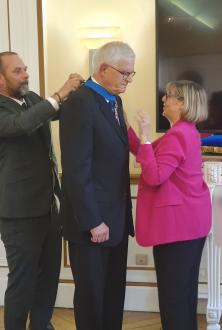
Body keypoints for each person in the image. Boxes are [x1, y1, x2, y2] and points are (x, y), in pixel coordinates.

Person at [0, 51, 83, 330]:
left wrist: (77, 92)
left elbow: (53, 112)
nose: (25, 74)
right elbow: (22, 124)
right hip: (19, 214)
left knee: (49, 277)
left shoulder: (32, 98)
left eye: (25, 69)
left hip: (49, 207)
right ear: (0, 80)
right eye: (17, 71)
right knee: (23, 282)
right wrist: (59, 93)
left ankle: (41, 326)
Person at [59, 41, 135, 330]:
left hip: (115, 219)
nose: (128, 80)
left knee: (113, 294)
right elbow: (77, 169)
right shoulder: (80, 102)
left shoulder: (114, 100)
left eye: (131, 74)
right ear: (103, 69)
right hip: (92, 223)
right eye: (124, 74)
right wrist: (94, 221)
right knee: (92, 297)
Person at [127, 80, 212, 330]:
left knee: (173, 298)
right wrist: (125, 126)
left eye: (170, 96)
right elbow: (146, 152)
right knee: (183, 296)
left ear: (183, 103)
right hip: (189, 224)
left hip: (177, 228)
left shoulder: (177, 135)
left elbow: (154, 176)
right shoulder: (186, 131)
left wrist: (144, 133)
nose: (164, 99)